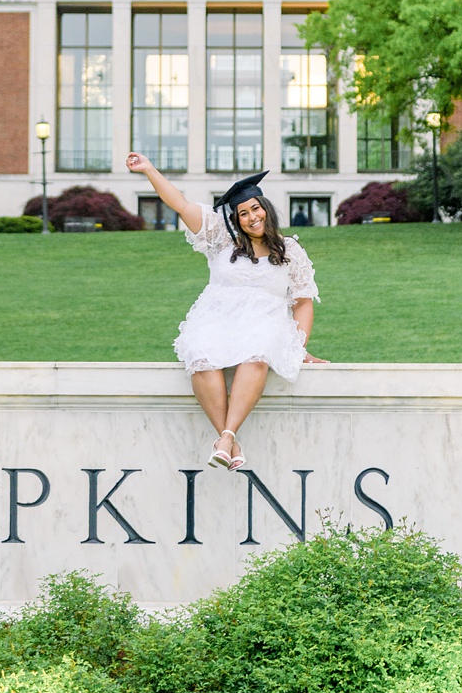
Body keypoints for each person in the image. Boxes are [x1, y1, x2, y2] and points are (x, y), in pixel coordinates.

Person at [124, 155, 320, 472]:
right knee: (201, 357)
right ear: (235, 219)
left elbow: (303, 302)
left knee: (257, 356)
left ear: (266, 209)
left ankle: (225, 439)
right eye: (243, 213)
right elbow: (181, 204)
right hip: (217, 318)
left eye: (255, 208)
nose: (251, 217)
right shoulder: (221, 239)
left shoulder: (289, 251)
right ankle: (230, 443)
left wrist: (299, 345)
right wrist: (149, 170)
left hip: (265, 322)